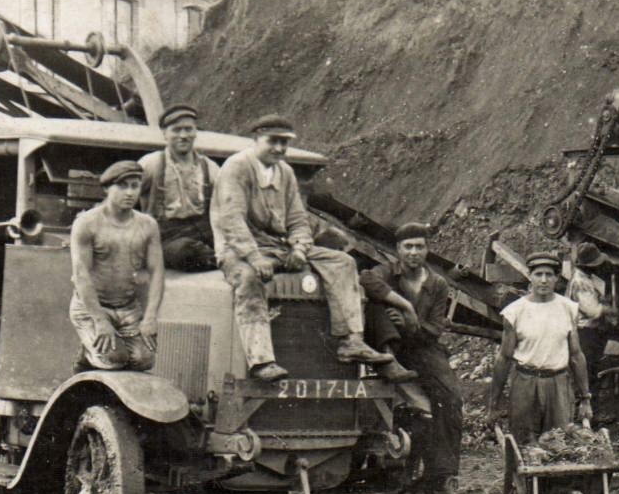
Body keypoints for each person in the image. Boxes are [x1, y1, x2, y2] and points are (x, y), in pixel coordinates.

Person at [210, 115, 394, 382]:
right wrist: (253, 257)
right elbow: (231, 219)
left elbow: (298, 219)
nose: (278, 149)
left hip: (278, 246)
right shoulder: (236, 167)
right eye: (272, 141)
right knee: (249, 280)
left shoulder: (284, 172)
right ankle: (262, 361)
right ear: (255, 139)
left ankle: (351, 340)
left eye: (283, 143)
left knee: (342, 263)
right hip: (239, 250)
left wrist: (298, 248)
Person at [361, 223, 473, 494]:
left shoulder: (437, 284)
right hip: (388, 346)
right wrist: (401, 305)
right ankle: (389, 362)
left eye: (419, 246)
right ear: (397, 250)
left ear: (427, 250)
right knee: (377, 307)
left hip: (421, 347)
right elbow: (366, 280)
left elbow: (434, 329)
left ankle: (443, 480)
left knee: (451, 398)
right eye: (407, 247)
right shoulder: (387, 272)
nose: (413, 252)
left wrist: (410, 323)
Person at [69, 160, 164, 371]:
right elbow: (81, 275)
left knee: (144, 359)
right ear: (106, 188)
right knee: (114, 358)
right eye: (122, 186)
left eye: (135, 186)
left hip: (128, 308)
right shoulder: (86, 223)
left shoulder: (148, 226)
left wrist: (150, 317)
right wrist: (99, 320)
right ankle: (84, 361)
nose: (130, 193)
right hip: (92, 307)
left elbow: (156, 271)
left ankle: (94, 355)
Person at [489, 251, 591, 443]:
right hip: (525, 383)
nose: (544, 280)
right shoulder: (515, 311)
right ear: (530, 276)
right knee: (523, 445)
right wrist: (494, 403)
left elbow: (576, 355)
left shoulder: (568, 308)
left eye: (549, 275)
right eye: (538, 274)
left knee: (559, 443)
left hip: (558, 383)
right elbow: (504, 357)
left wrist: (586, 398)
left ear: (557, 278)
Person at [139, 104, 220, 272]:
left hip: (203, 231)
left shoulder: (209, 167)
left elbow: (227, 204)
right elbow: (126, 195)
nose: (183, 136)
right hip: (167, 236)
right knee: (183, 253)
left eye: (188, 129)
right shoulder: (151, 164)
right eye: (176, 130)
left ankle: (216, 256)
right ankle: (220, 258)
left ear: (196, 132)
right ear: (165, 134)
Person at [567, 242, 617, 384]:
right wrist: (609, 310)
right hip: (585, 332)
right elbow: (593, 311)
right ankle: (583, 402)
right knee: (586, 372)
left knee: (589, 371)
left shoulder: (586, 278)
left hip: (588, 331)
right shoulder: (581, 282)